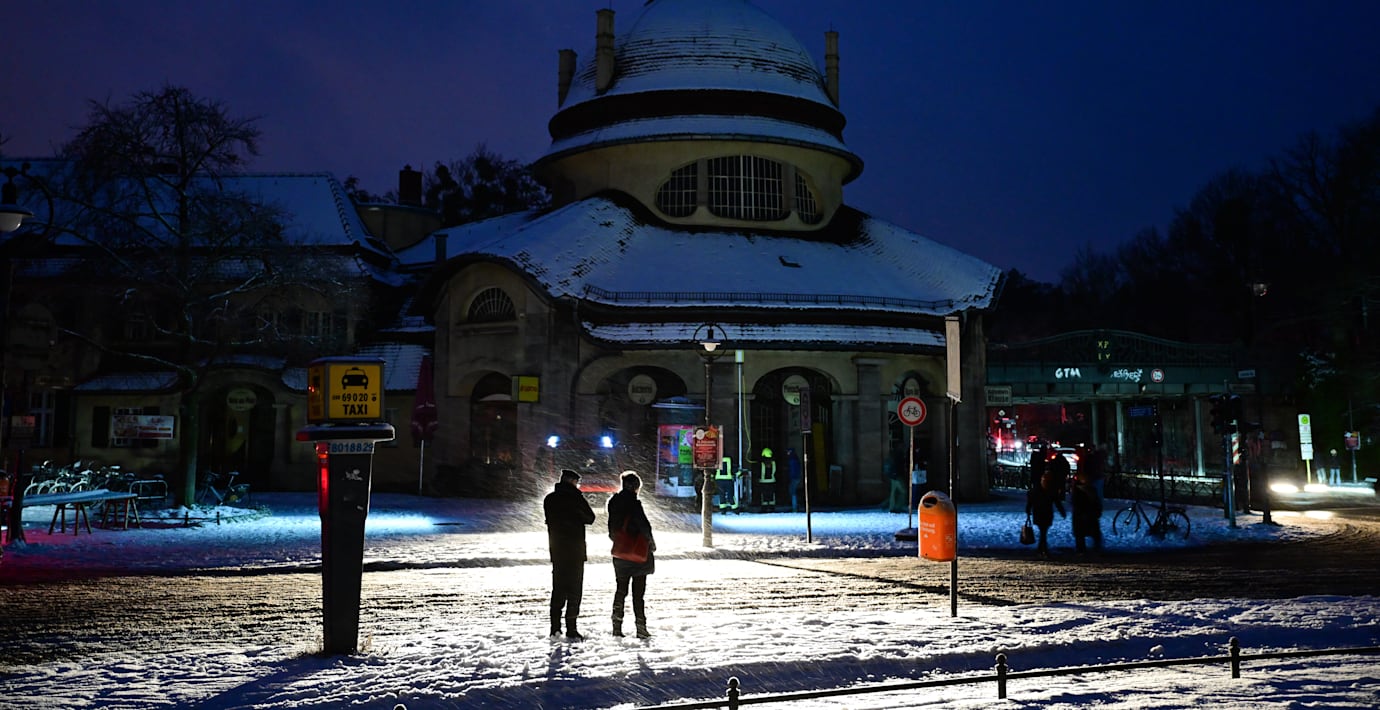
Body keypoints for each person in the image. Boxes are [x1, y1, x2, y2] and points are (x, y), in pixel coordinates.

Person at [543, 468, 595, 640]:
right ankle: (571, 628)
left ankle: (555, 628)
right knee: (574, 591)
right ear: (573, 481)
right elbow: (590, 518)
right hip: (575, 550)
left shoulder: (550, 499)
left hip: (557, 550)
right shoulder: (576, 498)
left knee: (558, 590)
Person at [607, 471, 655, 638]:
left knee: (620, 590)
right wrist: (651, 544)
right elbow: (644, 528)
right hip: (637, 553)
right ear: (635, 487)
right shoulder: (634, 504)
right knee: (638, 594)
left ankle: (616, 626)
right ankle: (640, 627)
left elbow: (612, 530)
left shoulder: (613, 502)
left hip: (620, 553)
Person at [1026, 449, 1067, 558]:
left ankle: (1041, 550)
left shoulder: (1037, 490)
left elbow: (1030, 501)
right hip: (1045, 514)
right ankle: (1042, 550)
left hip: (1040, 514)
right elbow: (1057, 502)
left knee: (1043, 532)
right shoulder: (1050, 491)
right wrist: (1062, 512)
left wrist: (1028, 510)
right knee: (1043, 533)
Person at [1069, 465, 1103, 554]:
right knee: (1082, 533)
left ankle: (1088, 549)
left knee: (1089, 533)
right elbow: (1076, 502)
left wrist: (1097, 510)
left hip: (1088, 514)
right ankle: (1082, 549)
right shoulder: (1080, 490)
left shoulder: (1089, 489)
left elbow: (1096, 501)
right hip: (1083, 515)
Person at [786, 448, 803, 512]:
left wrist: (791, 477)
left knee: (792, 491)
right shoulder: (795, 459)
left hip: (794, 478)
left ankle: (794, 506)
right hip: (796, 477)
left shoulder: (792, 460)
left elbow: (793, 470)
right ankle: (795, 505)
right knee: (792, 491)